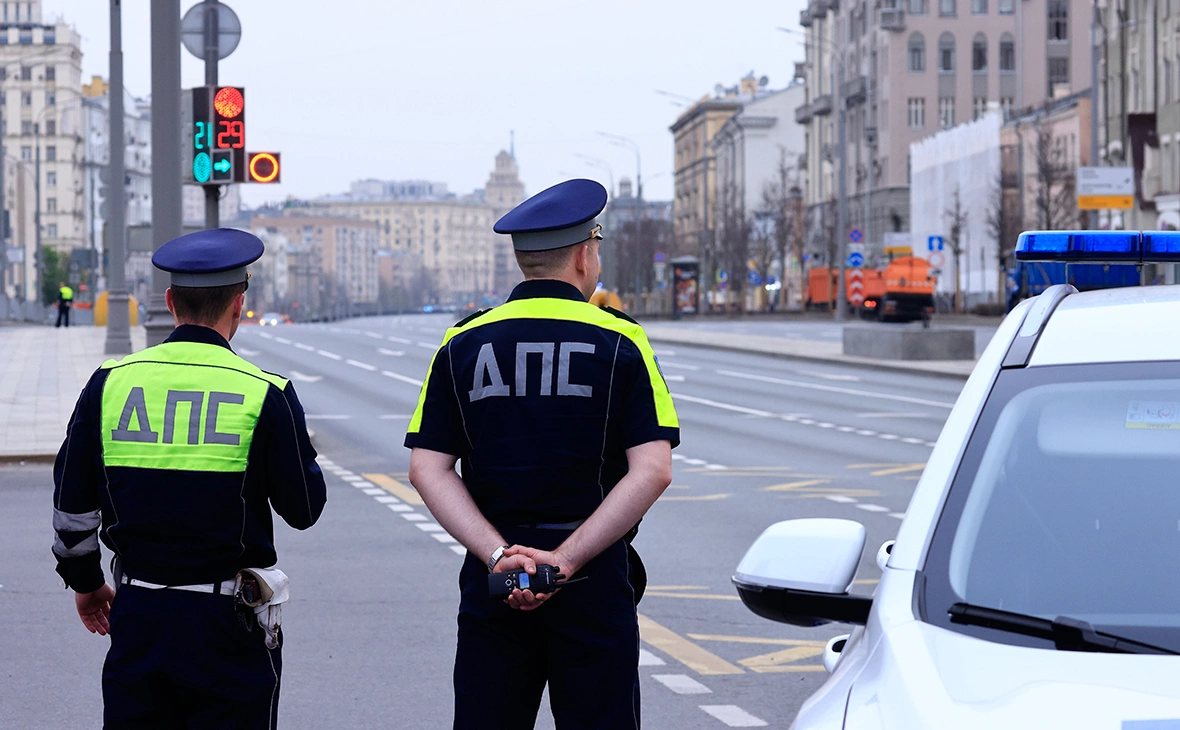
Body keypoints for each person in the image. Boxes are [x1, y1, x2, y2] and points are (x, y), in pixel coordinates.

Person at [405, 179, 679, 730]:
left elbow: (427, 468)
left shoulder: (461, 342)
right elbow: (653, 471)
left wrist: (499, 554)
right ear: (583, 254)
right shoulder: (622, 341)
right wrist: (568, 559)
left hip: (497, 586)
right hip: (593, 583)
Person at [51, 228, 326, 729]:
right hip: (229, 624)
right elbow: (305, 508)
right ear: (239, 305)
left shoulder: (108, 384)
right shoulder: (266, 393)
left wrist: (87, 583)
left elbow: (72, 508)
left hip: (139, 616)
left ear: (170, 301)